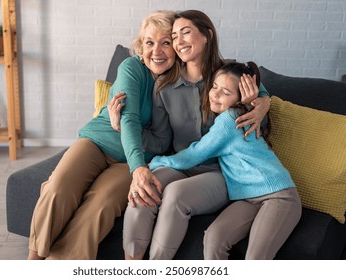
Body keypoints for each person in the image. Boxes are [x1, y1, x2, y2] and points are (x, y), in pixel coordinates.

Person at [108, 10, 272, 260]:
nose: (179, 41)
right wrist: (121, 126)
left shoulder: (231, 76)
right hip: (179, 164)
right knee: (143, 191)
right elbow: (161, 141)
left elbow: (261, 118)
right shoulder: (164, 86)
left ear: (207, 35)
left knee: (175, 195)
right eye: (174, 36)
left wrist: (261, 103)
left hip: (221, 173)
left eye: (186, 33)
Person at [27, 10, 180, 260]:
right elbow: (130, 117)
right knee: (58, 188)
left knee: (101, 206)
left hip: (129, 161)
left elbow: (162, 141)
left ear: (176, 47)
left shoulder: (176, 83)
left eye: (166, 42)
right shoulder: (131, 67)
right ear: (141, 47)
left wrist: (122, 131)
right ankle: (32, 262)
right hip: (98, 143)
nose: (157, 51)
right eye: (150, 42)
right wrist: (139, 166)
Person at [149, 61, 302, 260]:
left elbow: (193, 155)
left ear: (240, 99)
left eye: (226, 92)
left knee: (256, 259)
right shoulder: (233, 115)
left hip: (279, 196)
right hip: (247, 197)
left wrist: (155, 162)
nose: (215, 94)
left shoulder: (230, 120)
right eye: (214, 87)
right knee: (214, 237)